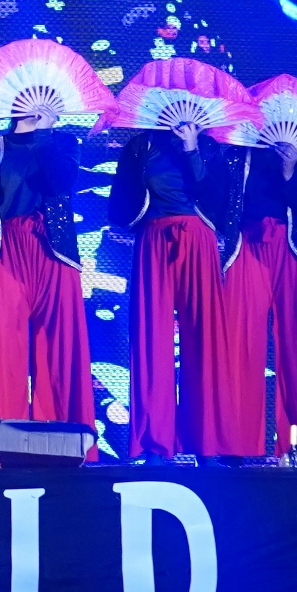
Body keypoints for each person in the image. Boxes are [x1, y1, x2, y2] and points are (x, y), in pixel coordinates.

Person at [109, 121, 240, 459]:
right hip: (154, 240)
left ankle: (208, 446)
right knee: (153, 339)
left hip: (198, 239)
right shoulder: (140, 146)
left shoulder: (208, 147)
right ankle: (155, 443)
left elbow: (219, 201)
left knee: (205, 339)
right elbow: (119, 206)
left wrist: (192, 149)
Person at [0, 112, 94, 427]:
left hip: (53, 249)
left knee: (60, 345)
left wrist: (44, 134)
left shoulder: (63, 142)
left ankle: (62, 434)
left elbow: (60, 183)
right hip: (6, 251)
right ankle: (3, 434)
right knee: (3, 345)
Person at [221, 143, 297, 459]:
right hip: (246, 247)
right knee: (239, 345)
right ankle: (235, 444)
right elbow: (220, 204)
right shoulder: (237, 149)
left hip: (294, 250)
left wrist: (290, 172)